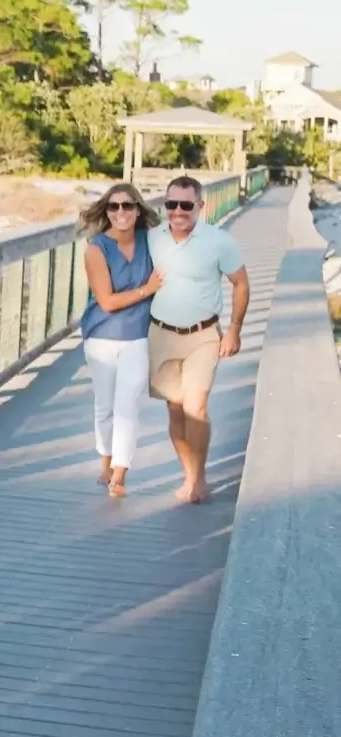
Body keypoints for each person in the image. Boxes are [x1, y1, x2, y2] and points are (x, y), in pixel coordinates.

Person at [146, 174, 250, 505]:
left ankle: (197, 478)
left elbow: (241, 284)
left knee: (196, 407)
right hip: (161, 333)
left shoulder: (219, 241)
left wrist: (234, 328)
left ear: (200, 206)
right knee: (176, 412)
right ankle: (188, 472)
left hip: (203, 335)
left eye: (186, 205)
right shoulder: (152, 237)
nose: (178, 211)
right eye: (171, 204)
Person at [77, 182, 163, 499]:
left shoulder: (151, 242)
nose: (121, 212)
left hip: (138, 335)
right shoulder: (96, 248)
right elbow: (108, 302)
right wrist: (147, 289)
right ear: (107, 211)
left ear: (138, 210)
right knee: (105, 405)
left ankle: (120, 473)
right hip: (101, 336)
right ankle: (106, 461)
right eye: (114, 207)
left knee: (127, 404)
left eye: (128, 206)